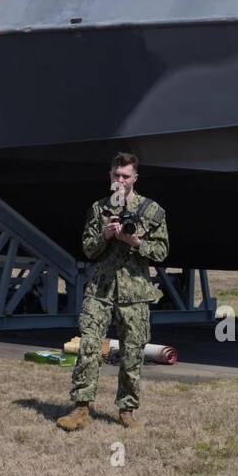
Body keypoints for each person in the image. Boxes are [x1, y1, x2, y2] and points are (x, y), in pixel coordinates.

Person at [56, 153, 169, 431]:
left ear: (135, 178)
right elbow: (88, 249)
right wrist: (105, 236)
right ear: (110, 175)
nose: (120, 180)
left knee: (133, 352)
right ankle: (81, 407)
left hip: (135, 293)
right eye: (116, 175)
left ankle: (127, 410)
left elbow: (162, 251)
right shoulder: (98, 209)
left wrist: (135, 241)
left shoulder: (152, 211)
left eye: (126, 176)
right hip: (101, 290)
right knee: (90, 347)